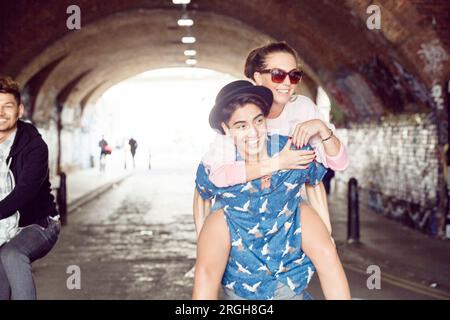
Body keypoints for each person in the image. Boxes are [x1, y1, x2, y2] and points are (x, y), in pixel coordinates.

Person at [192, 80, 350, 300]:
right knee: (206, 270)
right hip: (242, 266)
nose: (254, 132)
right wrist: (202, 245)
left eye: (258, 121)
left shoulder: (290, 147)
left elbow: (320, 177)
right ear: (226, 129)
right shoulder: (217, 163)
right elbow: (202, 194)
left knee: (327, 253)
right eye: (241, 126)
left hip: (287, 251)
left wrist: (327, 232)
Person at [196, 42, 348, 237]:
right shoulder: (241, 109)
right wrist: (279, 162)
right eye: (278, 74)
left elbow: (339, 163)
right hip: (239, 215)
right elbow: (214, 178)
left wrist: (321, 127)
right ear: (258, 77)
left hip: (284, 214)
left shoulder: (303, 108)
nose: (287, 83)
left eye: (294, 76)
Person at [0, 76, 60, 300]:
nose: (1, 113)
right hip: (2, 230)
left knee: (12, 254)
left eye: (8, 106)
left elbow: (25, 191)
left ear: (20, 110)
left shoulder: (34, 146)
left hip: (38, 223)